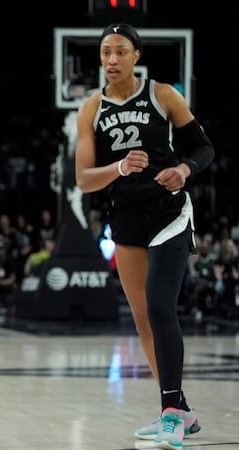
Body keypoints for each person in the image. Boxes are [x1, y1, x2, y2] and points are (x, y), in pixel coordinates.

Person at [74, 23, 214, 450]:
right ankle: (179, 411)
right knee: (142, 319)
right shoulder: (90, 109)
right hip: (127, 218)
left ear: (136, 55)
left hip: (168, 212)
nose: (111, 60)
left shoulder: (163, 95)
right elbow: (83, 179)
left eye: (120, 51)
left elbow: (204, 149)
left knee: (159, 304)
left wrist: (185, 170)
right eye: (105, 53)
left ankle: (170, 411)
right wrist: (118, 168)